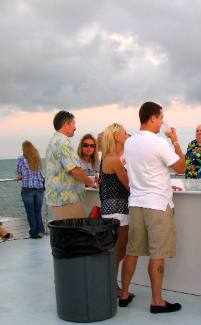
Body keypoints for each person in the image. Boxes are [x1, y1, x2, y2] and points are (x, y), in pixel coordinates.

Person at [120, 101, 185, 313]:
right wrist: (175, 141)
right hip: (157, 204)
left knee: (132, 251)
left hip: (136, 202)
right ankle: (157, 301)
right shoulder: (159, 143)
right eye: (161, 117)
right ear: (153, 118)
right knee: (157, 254)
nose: (163, 121)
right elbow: (181, 167)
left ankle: (124, 294)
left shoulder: (129, 143)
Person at [99, 123, 131, 297]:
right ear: (117, 136)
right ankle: (112, 286)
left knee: (116, 249)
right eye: (125, 133)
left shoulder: (107, 157)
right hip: (118, 208)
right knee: (119, 249)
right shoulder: (114, 160)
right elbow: (128, 185)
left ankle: (112, 285)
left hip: (111, 208)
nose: (127, 135)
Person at [45, 111, 94, 220]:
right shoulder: (63, 142)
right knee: (78, 233)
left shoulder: (54, 141)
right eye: (73, 124)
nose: (75, 127)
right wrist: (92, 183)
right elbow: (74, 169)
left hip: (58, 198)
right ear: (66, 124)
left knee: (67, 234)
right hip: (67, 199)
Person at [16, 141, 45, 239]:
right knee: (37, 211)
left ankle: (33, 233)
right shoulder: (36, 158)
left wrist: (19, 176)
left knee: (30, 212)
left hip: (27, 189)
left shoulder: (21, 159)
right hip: (39, 188)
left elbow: (19, 174)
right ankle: (41, 231)